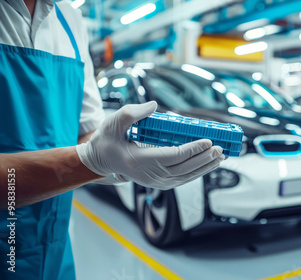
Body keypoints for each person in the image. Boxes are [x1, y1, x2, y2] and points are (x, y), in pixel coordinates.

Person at [0, 0, 224, 279]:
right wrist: (92, 161)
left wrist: (121, 156)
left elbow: (87, 131)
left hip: (53, 245)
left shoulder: (70, 21)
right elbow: (88, 154)